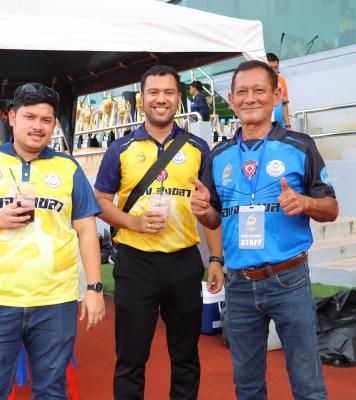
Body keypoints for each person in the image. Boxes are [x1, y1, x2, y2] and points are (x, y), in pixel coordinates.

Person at [191, 60, 338, 400]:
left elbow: (331, 209)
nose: (250, 98)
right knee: (247, 387)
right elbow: (214, 219)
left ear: (275, 95)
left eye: (259, 90)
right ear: (231, 100)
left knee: (308, 385)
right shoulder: (219, 155)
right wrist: (204, 210)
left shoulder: (300, 145)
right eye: (241, 92)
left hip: (289, 280)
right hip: (239, 284)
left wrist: (305, 202)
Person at [0, 82, 105, 399]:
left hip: (56, 302)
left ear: (54, 124)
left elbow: (86, 229)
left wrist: (95, 288)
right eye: (30, 117)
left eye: (46, 120)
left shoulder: (67, 167)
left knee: (52, 391)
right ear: (12, 117)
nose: (38, 126)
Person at [95, 65, 210, 400]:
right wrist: (132, 222)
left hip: (184, 262)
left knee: (186, 356)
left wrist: (216, 259)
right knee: (131, 359)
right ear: (142, 99)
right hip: (136, 264)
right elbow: (99, 202)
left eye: (169, 92)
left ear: (179, 98)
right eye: (154, 92)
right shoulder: (121, 148)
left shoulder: (199, 148)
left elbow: (208, 208)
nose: (162, 99)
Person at [266, 52, 291, 129]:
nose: (274, 70)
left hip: (280, 126)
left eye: (276, 67)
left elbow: (284, 104)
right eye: (271, 68)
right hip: (266, 126)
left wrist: (288, 126)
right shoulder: (261, 82)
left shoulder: (281, 80)